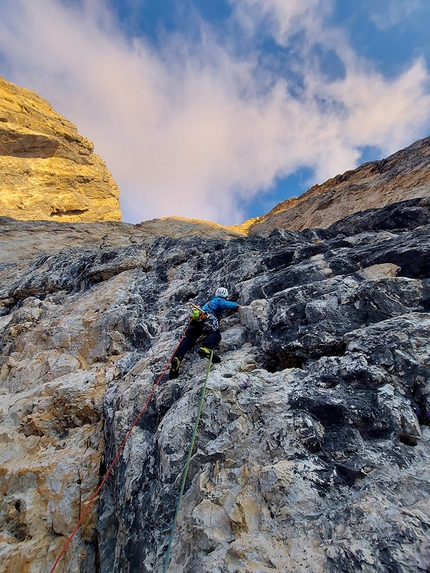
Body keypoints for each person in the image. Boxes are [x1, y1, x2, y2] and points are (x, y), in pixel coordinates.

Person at [169, 287, 240, 379]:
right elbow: (224, 304)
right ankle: (205, 348)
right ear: (225, 296)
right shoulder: (218, 300)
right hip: (208, 319)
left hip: (196, 320)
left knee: (189, 340)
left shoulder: (208, 302)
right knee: (215, 334)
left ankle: (177, 358)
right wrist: (236, 305)